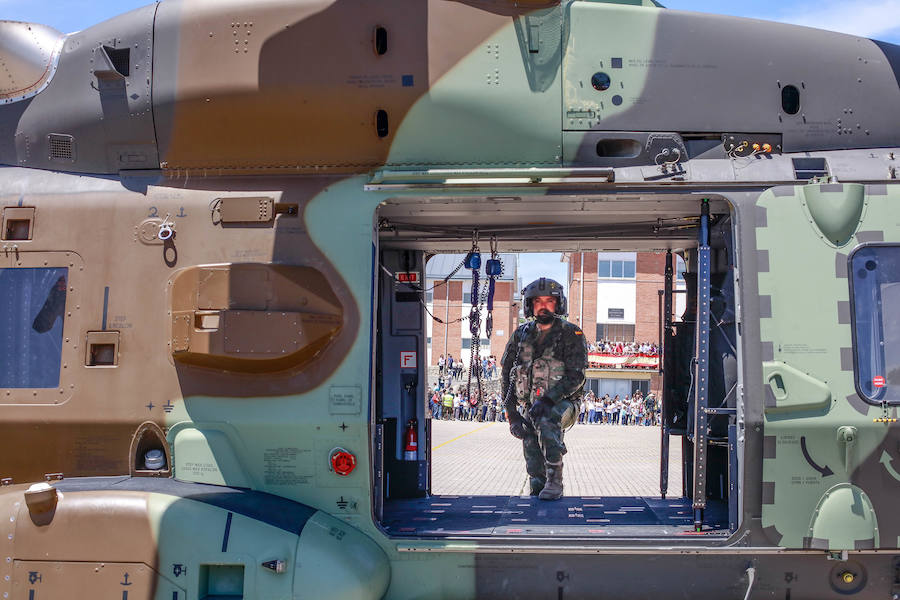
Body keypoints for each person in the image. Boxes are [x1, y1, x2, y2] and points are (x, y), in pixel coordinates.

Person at [501, 277, 587, 501]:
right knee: (530, 443)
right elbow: (507, 375)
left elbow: (576, 376)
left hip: (563, 404)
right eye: (538, 301)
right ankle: (537, 489)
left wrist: (548, 400)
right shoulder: (521, 335)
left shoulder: (572, 334)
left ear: (559, 304)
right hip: (530, 404)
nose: (543, 306)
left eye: (550, 301)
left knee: (545, 417)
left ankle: (555, 480)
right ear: (529, 305)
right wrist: (512, 415)